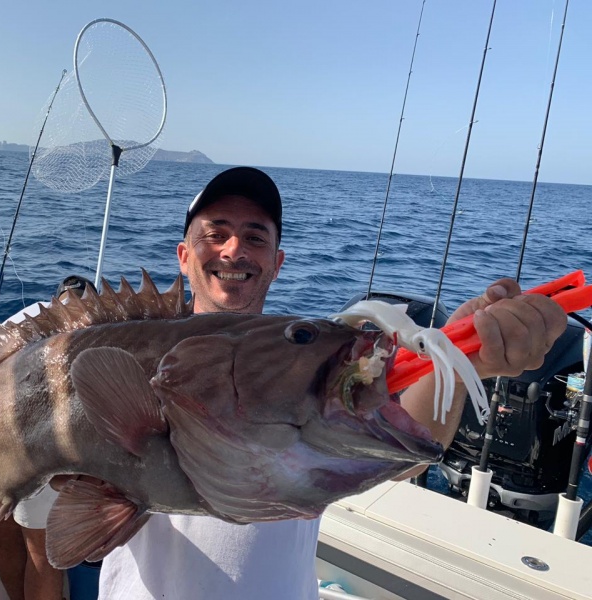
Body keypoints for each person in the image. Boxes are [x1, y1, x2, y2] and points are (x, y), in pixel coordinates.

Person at [96, 166, 567, 599]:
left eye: (254, 237)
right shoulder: (123, 360)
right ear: (183, 256)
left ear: (278, 262)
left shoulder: (312, 370)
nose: (233, 249)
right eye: (215, 234)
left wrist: (458, 359)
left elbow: (401, 454)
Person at [0, 275, 102, 600]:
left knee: (7, 525)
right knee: (43, 554)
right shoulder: (93, 334)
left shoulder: (23, 324)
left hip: (0, 444)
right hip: (39, 449)